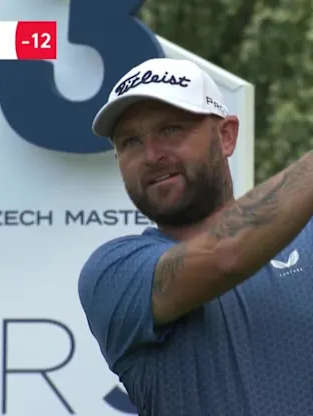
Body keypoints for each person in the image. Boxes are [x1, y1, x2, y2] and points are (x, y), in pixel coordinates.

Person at [77, 57, 313, 416]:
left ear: (226, 136)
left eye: (172, 129)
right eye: (130, 142)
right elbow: (225, 254)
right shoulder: (111, 273)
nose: (151, 155)